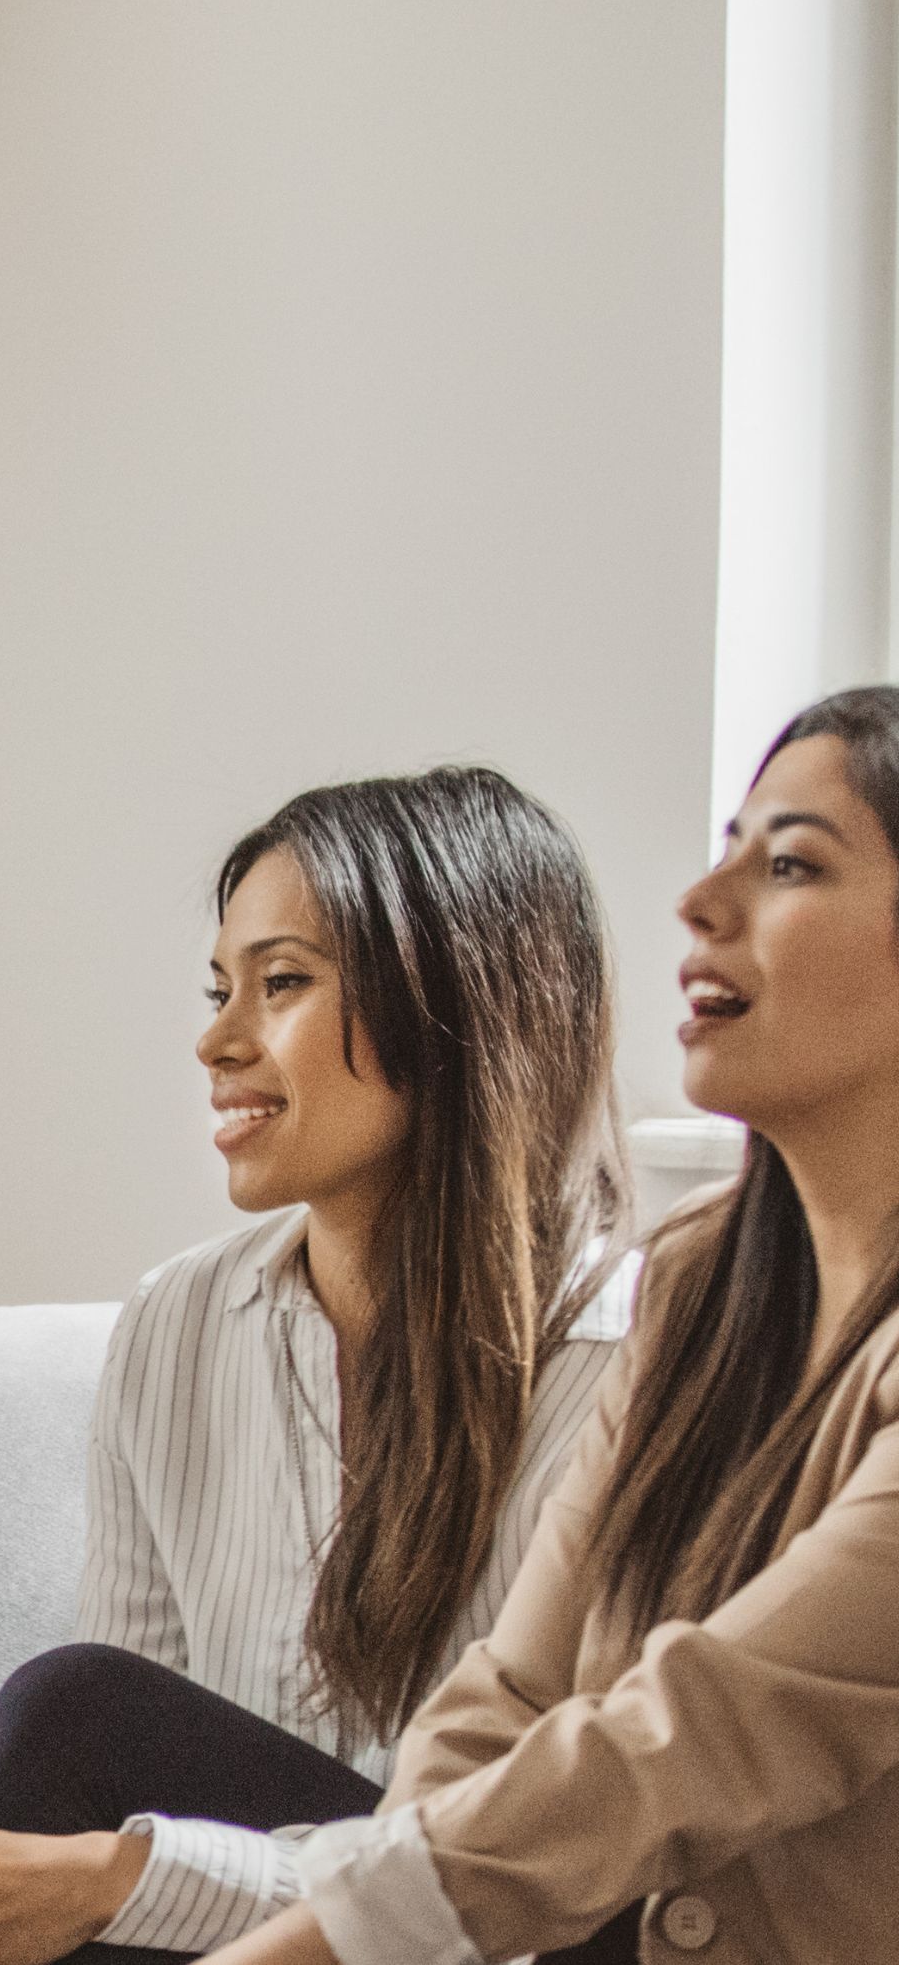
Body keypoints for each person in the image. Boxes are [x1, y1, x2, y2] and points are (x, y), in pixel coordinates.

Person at [0, 769, 635, 1965]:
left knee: (69, 1712)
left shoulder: (629, 1364)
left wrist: (111, 1874)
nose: (217, 1039)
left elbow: (538, 1872)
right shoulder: (180, 1325)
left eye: (282, 983)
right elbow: (125, 1786)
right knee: (14, 1798)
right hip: (241, 1933)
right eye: (221, 987)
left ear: (455, 1007)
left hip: (511, 1930)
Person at [199, 688, 899, 1964]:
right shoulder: (700, 1283)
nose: (701, 899)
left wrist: (316, 1943)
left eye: (790, 862)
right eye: (730, 845)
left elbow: (713, 1724)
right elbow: (512, 1694)